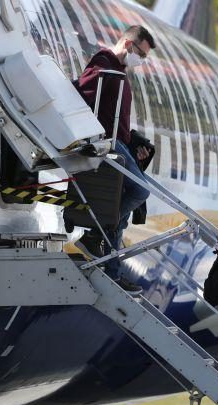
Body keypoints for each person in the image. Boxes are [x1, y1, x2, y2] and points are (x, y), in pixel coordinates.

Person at [74, 25, 155, 285]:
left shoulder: (118, 71)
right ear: (128, 45)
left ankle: (113, 273)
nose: (141, 61)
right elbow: (83, 96)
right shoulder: (104, 63)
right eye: (141, 54)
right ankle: (94, 233)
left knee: (120, 220)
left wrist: (135, 142)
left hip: (120, 142)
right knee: (140, 191)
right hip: (108, 143)